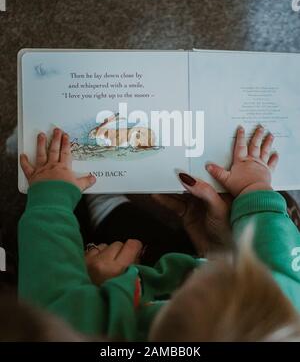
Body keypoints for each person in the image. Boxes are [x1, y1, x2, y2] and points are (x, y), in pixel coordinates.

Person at [18, 126, 300, 341]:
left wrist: (50, 197)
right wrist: (254, 189)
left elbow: (49, 277)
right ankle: (106, 203)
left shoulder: (86, 329)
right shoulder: (285, 312)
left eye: (194, 281)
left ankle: (103, 203)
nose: (207, 270)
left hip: (123, 285)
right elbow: (277, 256)